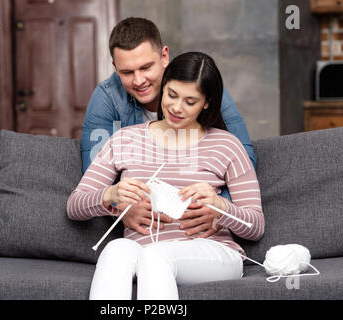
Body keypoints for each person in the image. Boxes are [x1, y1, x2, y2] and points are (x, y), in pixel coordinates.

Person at [67, 52, 264, 300]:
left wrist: (221, 207)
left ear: (206, 102)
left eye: (190, 101)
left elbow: (255, 226)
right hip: (142, 250)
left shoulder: (226, 145)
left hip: (213, 252)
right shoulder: (125, 139)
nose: (177, 108)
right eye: (171, 95)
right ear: (164, 87)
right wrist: (110, 195)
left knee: (155, 255)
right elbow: (74, 206)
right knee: (115, 249)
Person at [82, 17, 257, 239]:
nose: (139, 81)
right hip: (143, 230)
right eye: (127, 72)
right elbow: (94, 177)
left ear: (164, 56)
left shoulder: (201, 87)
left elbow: (244, 159)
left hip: (200, 236)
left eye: (146, 67)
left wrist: (217, 211)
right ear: (115, 68)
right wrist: (121, 208)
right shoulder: (106, 99)